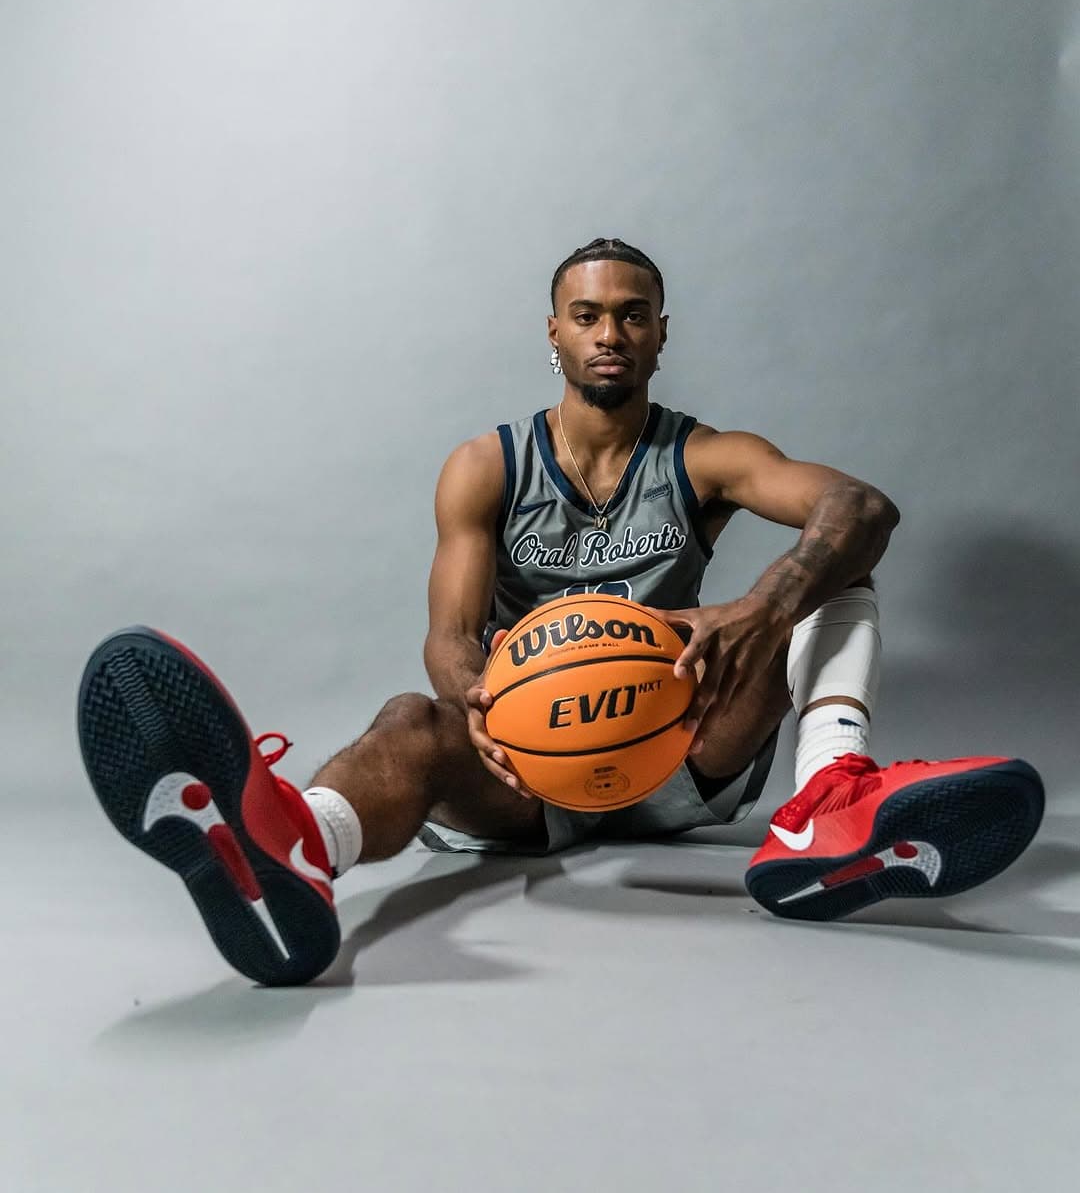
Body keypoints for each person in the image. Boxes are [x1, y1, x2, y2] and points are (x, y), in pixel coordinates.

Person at [77, 238, 1045, 986]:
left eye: (632, 317)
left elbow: (862, 508)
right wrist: (481, 703)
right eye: (587, 316)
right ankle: (295, 850)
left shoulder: (704, 457)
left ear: (663, 332)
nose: (610, 335)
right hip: (527, 772)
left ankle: (833, 799)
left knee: (833, 569)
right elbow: (448, 639)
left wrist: (758, 606)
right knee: (411, 721)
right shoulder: (486, 468)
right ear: (553, 332)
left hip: (682, 747)